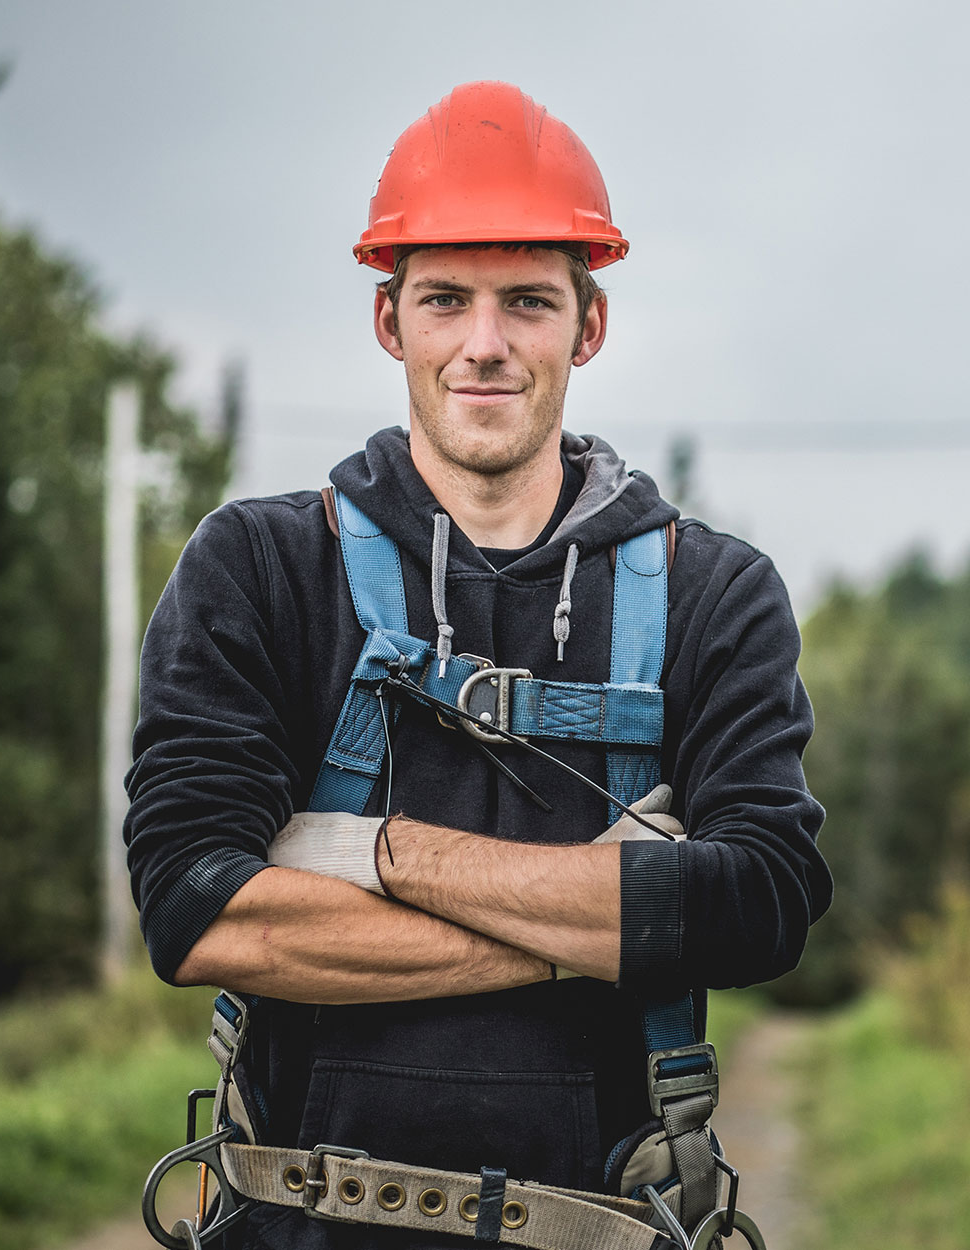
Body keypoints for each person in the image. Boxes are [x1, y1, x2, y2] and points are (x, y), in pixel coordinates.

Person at [126, 82, 832, 1249]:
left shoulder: (715, 592)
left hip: (611, 1221)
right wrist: (605, 915)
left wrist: (379, 853)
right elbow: (195, 907)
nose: (485, 343)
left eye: (528, 301)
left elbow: (758, 903)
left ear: (586, 326)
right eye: (445, 299)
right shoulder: (258, 567)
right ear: (389, 321)